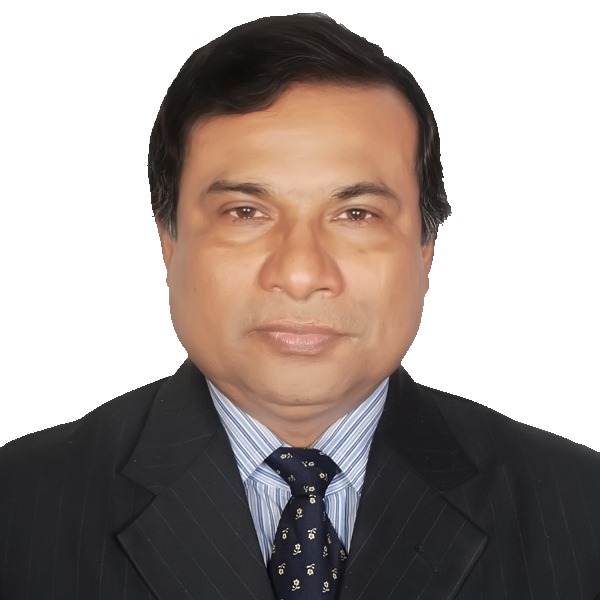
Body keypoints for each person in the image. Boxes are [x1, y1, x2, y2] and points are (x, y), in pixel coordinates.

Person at [1, 12, 598, 600]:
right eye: (246, 212)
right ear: (169, 241)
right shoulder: (19, 508)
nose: (301, 273)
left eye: (356, 214)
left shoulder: (581, 511)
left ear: (425, 250)